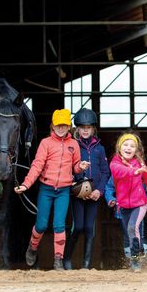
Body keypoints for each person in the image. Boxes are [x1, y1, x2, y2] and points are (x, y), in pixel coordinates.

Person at [15, 109, 90, 271]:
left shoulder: (74, 144)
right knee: (41, 225)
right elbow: (37, 165)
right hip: (46, 189)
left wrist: (80, 167)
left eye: (64, 125)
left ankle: (58, 260)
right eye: (58, 125)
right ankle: (33, 247)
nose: (61, 128)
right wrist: (26, 184)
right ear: (53, 126)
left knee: (59, 225)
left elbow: (75, 167)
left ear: (69, 126)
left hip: (63, 190)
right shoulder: (46, 143)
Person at [63, 108, 111, 270]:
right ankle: (67, 260)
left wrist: (99, 191)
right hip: (78, 194)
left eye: (88, 127)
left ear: (93, 129)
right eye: (82, 127)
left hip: (95, 195)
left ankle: (86, 264)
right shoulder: (73, 146)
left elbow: (105, 172)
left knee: (90, 228)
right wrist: (79, 187)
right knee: (78, 227)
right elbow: (68, 168)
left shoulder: (100, 148)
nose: (85, 130)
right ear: (77, 128)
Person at [110, 132, 147, 272]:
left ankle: (135, 259)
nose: (128, 148)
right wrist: (134, 171)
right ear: (120, 148)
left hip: (140, 203)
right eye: (125, 145)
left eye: (132, 146)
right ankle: (136, 258)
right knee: (129, 231)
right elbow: (119, 171)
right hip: (124, 205)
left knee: (133, 227)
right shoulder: (114, 163)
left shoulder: (140, 163)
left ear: (136, 150)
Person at [105, 173, 147, 267]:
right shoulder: (118, 170)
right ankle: (131, 261)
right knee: (127, 236)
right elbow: (109, 187)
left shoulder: (141, 169)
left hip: (138, 207)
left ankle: (143, 259)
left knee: (138, 233)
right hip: (122, 208)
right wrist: (110, 199)